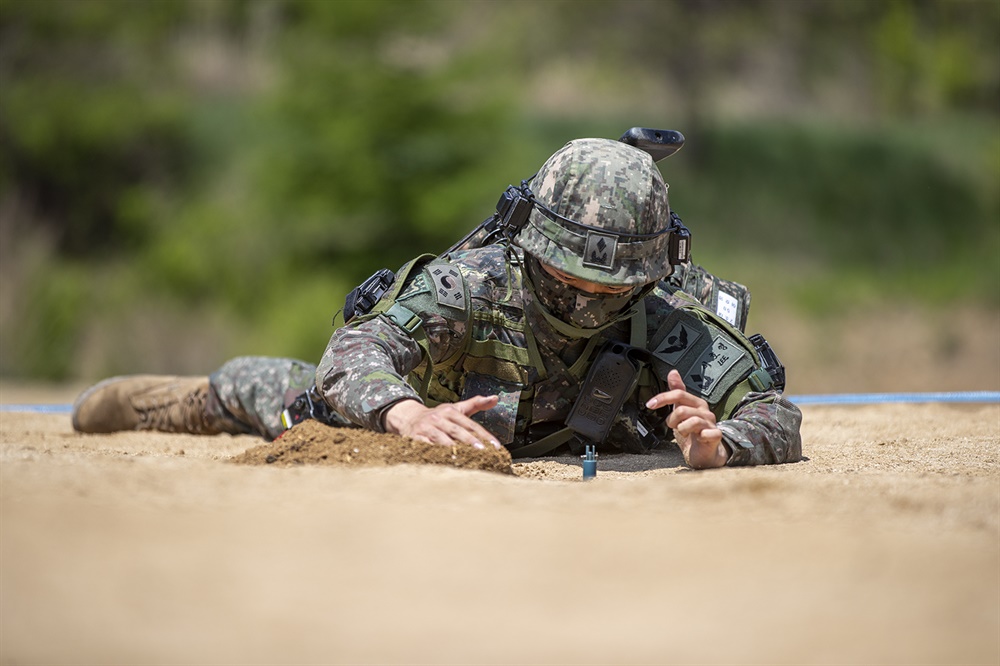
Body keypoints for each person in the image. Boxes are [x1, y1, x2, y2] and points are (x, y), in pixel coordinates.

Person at [72, 137, 801, 468]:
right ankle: (191, 397)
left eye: (612, 288)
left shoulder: (671, 312)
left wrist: (721, 442)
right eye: (568, 278)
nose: (589, 298)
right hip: (412, 413)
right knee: (297, 407)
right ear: (533, 250)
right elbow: (354, 351)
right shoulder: (472, 284)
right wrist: (405, 412)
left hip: (571, 442)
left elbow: (776, 411)